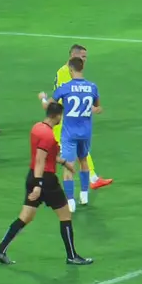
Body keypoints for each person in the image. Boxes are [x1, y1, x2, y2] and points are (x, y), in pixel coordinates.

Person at [0, 102, 93, 266]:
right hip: (46, 180)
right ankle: (72, 256)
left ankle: (0, 250)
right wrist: (39, 185)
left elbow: (45, 155)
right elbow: (40, 160)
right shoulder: (48, 135)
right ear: (57, 116)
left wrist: (63, 163)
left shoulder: (37, 128)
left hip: (32, 176)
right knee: (65, 215)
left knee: (25, 217)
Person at [54, 45, 112, 212]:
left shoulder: (68, 79)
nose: (85, 60)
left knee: (73, 161)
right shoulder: (70, 75)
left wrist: (44, 100)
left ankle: (72, 199)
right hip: (67, 122)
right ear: (74, 56)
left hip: (70, 124)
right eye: (83, 57)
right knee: (79, 159)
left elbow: (59, 98)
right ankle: (87, 188)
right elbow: (72, 100)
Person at [40, 57, 101, 208]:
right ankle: (84, 195)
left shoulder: (65, 88)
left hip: (69, 134)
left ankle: (71, 202)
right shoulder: (92, 87)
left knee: (68, 165)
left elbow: (49, 107)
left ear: (70, 70)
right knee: (84, 160)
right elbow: (97, 107)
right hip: (85, 133)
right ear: (82, 68)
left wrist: (43, 99)